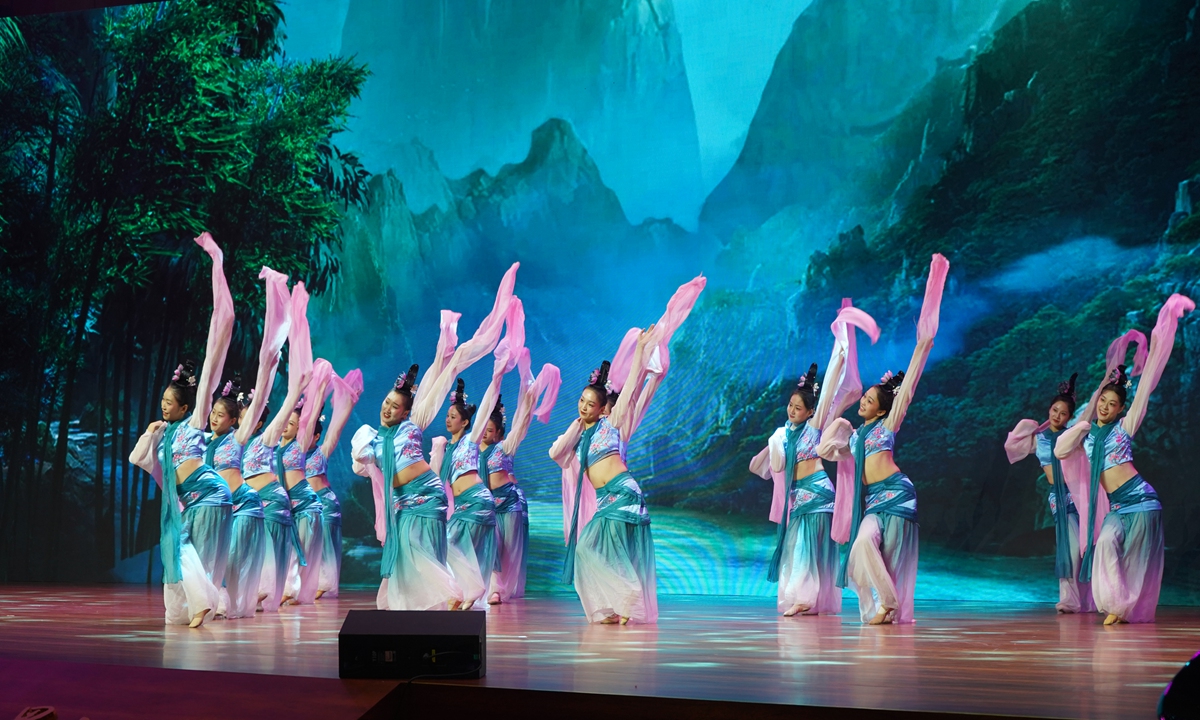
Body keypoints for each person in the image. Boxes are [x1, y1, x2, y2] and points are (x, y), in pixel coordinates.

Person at [351, 264, 519, 610]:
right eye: (386, 403)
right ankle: (444, 595)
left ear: (405, 411)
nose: (387, 409)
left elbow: (436, 380)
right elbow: (360, 466)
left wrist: (449, 351)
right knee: (407, 564)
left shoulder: (414, 424)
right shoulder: (375, 440)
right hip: (406, 502)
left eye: (395, 407)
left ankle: (453, 592)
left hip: (427, 498)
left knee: (418, 553)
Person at [818, 254, 948, 625]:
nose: (863, 401)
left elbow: (906, 391)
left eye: (869, 400)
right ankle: (885, 602)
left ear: (881, 409)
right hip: (874, 501)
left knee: (879, 551)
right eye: (865, 397)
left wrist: (922, 345)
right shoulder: (856, 437)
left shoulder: (886, 427)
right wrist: (836, 420)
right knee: (860, 548)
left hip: (897, 491)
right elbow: (827, 450)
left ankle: (889, 605)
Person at [1055, 294, 1194, 624]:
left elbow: (1144, 387)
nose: (1105, 406)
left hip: (1142, 500)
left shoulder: (1124, 428)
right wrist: (1084, 423)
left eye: (1111, 404)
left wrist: (1165, 327)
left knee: (1135, 559)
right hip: (1118, 506)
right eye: (1102, 400)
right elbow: (1061, 449)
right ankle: (1116, 603)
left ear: (1119, 410)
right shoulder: (1086, 435)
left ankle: (1123, 610)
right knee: (1103, 544)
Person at [128, 233, 235, 627]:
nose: (164, 408)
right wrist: (153, 430)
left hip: (210, 493)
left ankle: (204, 601)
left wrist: (215, 261)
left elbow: (217, 341)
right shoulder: (167, 432)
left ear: (187, 407)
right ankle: (201, 602)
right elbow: (138, 459)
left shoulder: (194, 422)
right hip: (196, 499)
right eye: (162, 404)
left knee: (179, 542)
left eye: (169, 405)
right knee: (179, 544)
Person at [749, 302, 879, 616]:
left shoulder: (815, 426)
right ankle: (807, 599)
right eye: (790, 406)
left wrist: (840, 351)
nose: (793, 411)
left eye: (799, 408)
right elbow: (768, 466)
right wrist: (775, 439)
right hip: (797, 496)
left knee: (806, 549)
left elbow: (833, 384)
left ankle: (806, 598)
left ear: (809, 411)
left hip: (817, 492)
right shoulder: (782, 434)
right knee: (798, 548)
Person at [550, 329, 661, 625]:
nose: (584, 407)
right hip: (606, 500)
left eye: (591, 404)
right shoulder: (579, 437)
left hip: (622, 492)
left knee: (592, 547)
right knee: (588, 548)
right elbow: (555, 454)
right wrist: (576, 425)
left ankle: (628, 596)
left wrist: (639, 349)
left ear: (602, 410)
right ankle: (615, 605)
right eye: (582, 402)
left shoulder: (610, 426)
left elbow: (631, 386)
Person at [241, 280, 312, 613]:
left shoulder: (265, 437)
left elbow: (283, 406)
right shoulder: (229, 441)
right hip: (251, 502)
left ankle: (271, 589)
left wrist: (293, 381)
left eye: (248, 417)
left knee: (267, 553)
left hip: (270, 500)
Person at [1004, 373, 1097, 613]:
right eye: (1054, 410)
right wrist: (1030, 425)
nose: (1057, 415)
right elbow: (1011, 445)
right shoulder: (1038, 439)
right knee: (1068, 547)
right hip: (1058, 496)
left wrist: (1103, 386)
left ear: (1068, 417)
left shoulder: (1072, 435)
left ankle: (1087, 599)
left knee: (1084, 546)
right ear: (1049, 410)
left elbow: (1088, 417)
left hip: (1078, 495)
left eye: (1063, 413)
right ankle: (1069, 600)